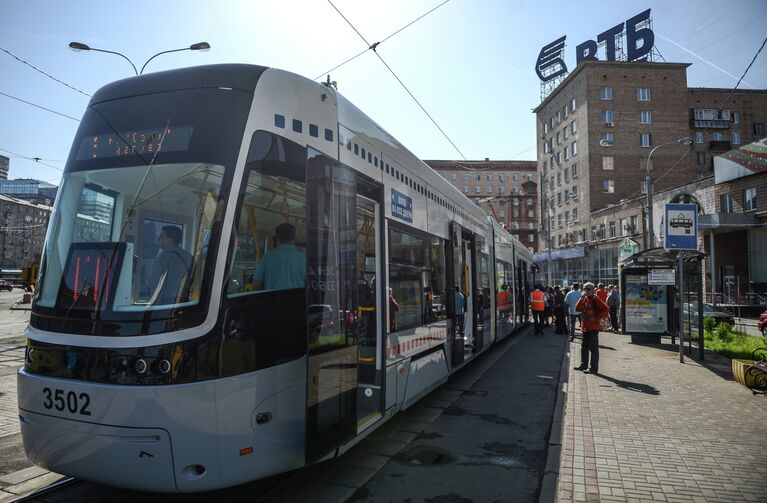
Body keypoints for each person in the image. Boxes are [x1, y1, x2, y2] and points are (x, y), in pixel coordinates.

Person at [253, 222, 306, 291]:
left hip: (273, 300)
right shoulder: (304, 258)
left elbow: (256, 284)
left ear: (277, 238)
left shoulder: (267, 257)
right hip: (297, 300)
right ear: (294, 238)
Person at [149, 225, 193, 305]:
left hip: (165, 304)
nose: (159, 239)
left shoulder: (163, 256)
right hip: (184, 303)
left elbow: (156, 285)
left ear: (170, 240)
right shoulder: (189, 257)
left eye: (162, 236)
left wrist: (153, 307)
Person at [575, 282, 610, 375]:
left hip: (593, 326)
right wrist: (581, 299)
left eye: (588, 289)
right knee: (584, 347)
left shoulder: (595, 298)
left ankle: (593, 368)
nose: (586, 291)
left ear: (593, 290)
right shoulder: (584, 298)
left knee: (593, 348)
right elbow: (577, 308)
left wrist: (596, 318)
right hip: (586, 326)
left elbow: (606, 309)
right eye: (584, 289)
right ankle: (584, 364)